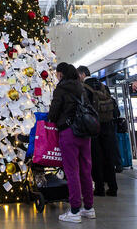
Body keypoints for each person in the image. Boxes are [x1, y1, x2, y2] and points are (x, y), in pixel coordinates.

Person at [48, 62, 94, 223]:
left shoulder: (61, 89)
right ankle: (88, 208)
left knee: (71, 171)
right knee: (86, 170)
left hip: (69, 133)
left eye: (56, 73)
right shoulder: (81, 87)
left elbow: (53, 114)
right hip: (85, 132)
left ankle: (74, 210)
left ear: (61, 74)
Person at [77, 65, 117, 196]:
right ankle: (113, 187)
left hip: (93, 126)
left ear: (82, 75)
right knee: (108, 156)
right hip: (108, 125)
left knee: (95, 157)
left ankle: (99, 187)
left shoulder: (84, 88)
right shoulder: (103, 86)